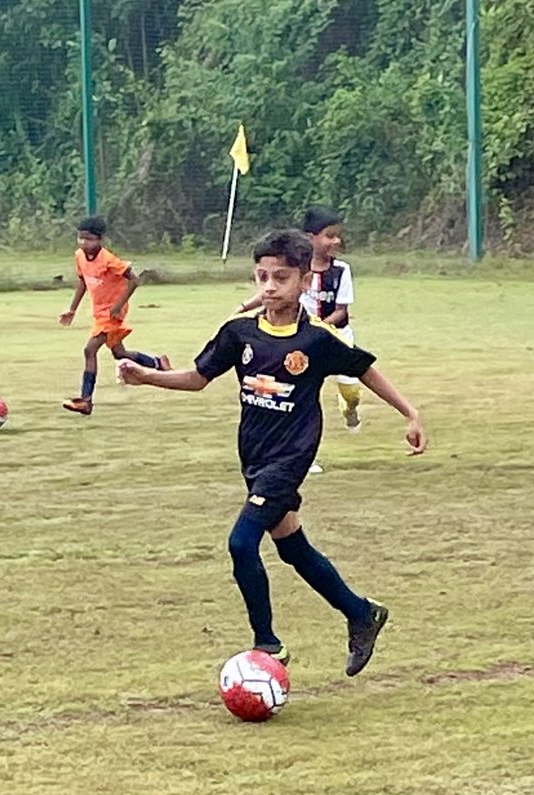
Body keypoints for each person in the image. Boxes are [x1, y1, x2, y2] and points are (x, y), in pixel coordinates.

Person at [118, 229, 428, 676]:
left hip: (291, 458)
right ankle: (361, 613)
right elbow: (197, 378)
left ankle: (268, 646)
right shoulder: (238, 333)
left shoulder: (317, 339)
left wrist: (410, 413)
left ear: (304, 281)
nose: (268, 287)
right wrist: (146, 377)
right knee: (292, 547)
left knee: (242, 543)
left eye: (280, 278)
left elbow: (365, 369)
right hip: (255, 457)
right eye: (261, 276)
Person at [236, 206, 360, 474]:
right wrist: (244, 307)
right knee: (301, 400)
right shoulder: (291, 268)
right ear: (310, 238)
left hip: (333, 337)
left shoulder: (341, 271)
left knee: (351, 391)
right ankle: (303, 457)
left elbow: (341, 311)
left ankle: (350, 408)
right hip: (299, 344)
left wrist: (316, 332)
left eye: (338, 236)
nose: (336, 242)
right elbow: (270, 292)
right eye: (329, 236)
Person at [58, 216, 169, 415]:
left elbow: (134, 280)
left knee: (89, 350)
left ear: (100, 239)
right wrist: (72, 309)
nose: (84, 243)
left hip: (111, 312)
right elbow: (83, 282)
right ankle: (157, 363)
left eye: (89, 239)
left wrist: (118, 306)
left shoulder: (108, 260)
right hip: (100, 312)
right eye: (80, 238)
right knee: (119, 353)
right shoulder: (79, 256)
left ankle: (86, 400)